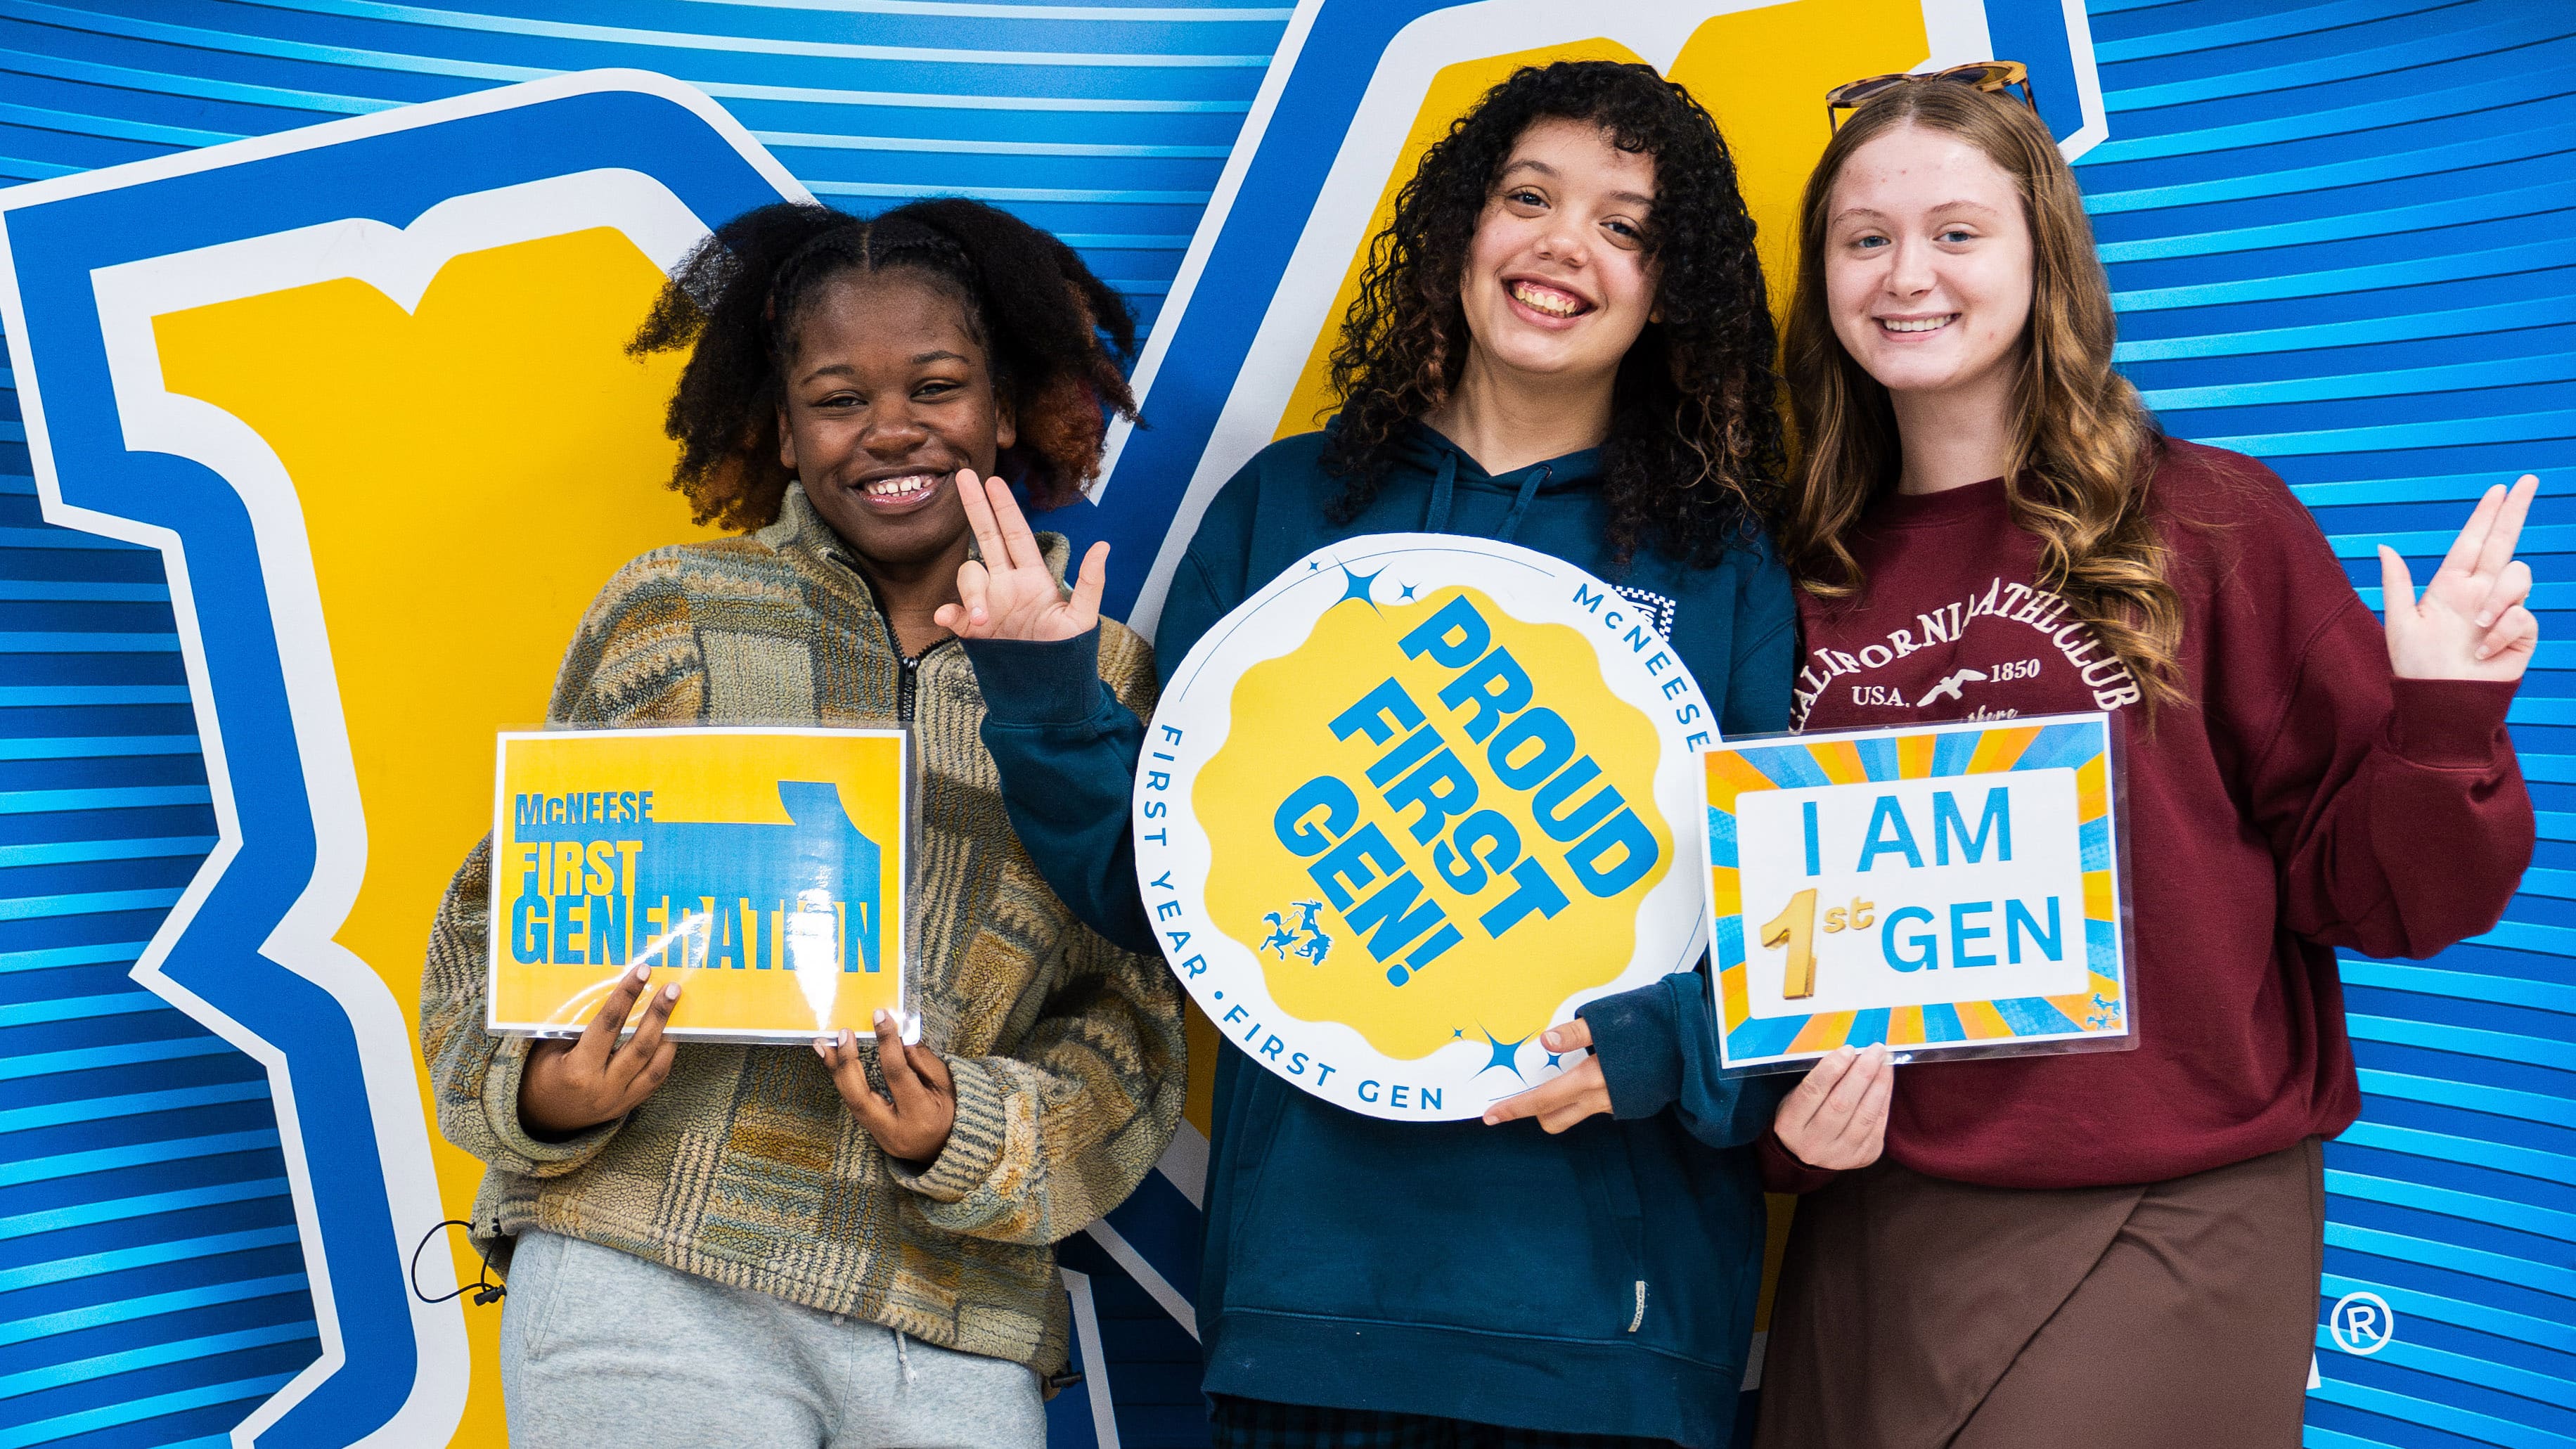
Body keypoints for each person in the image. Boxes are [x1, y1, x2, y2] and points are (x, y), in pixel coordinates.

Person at [943, 60, 1793, 1449]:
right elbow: (1151, 887)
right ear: (1462, 224)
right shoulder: (1285, 508)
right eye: (1527, 197)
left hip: (1611, 1347)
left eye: (1624, 227)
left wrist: (1662, 1044)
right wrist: (1042, 689)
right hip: (1309, 1320)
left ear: (1667, 289)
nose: (1561, 246)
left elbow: (1790, 937)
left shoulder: (1723, 569)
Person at [1724, 77, 2534, 1448]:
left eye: (1956, 233)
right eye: (1862, 239)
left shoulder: (2211, 520)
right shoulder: (1784, 576)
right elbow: (1745, 940)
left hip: (2168, 1207)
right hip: (1874, 1225)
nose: (1904, 274)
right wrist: (1786, 1131)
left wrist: (2440, 716)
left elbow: (2382, 898)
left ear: (2043, 257)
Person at [417, 198, 1188, 1448]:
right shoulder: (672, 609)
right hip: (642, 1272)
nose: (891, 428)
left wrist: (969, 1128)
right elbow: (494, 924)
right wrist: (550, 1086)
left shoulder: (1104, 674)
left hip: (948, 1316)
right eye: (838, 398)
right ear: (783, 427)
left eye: (936, 385)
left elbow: (1138, 1020)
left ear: (1007, 406)